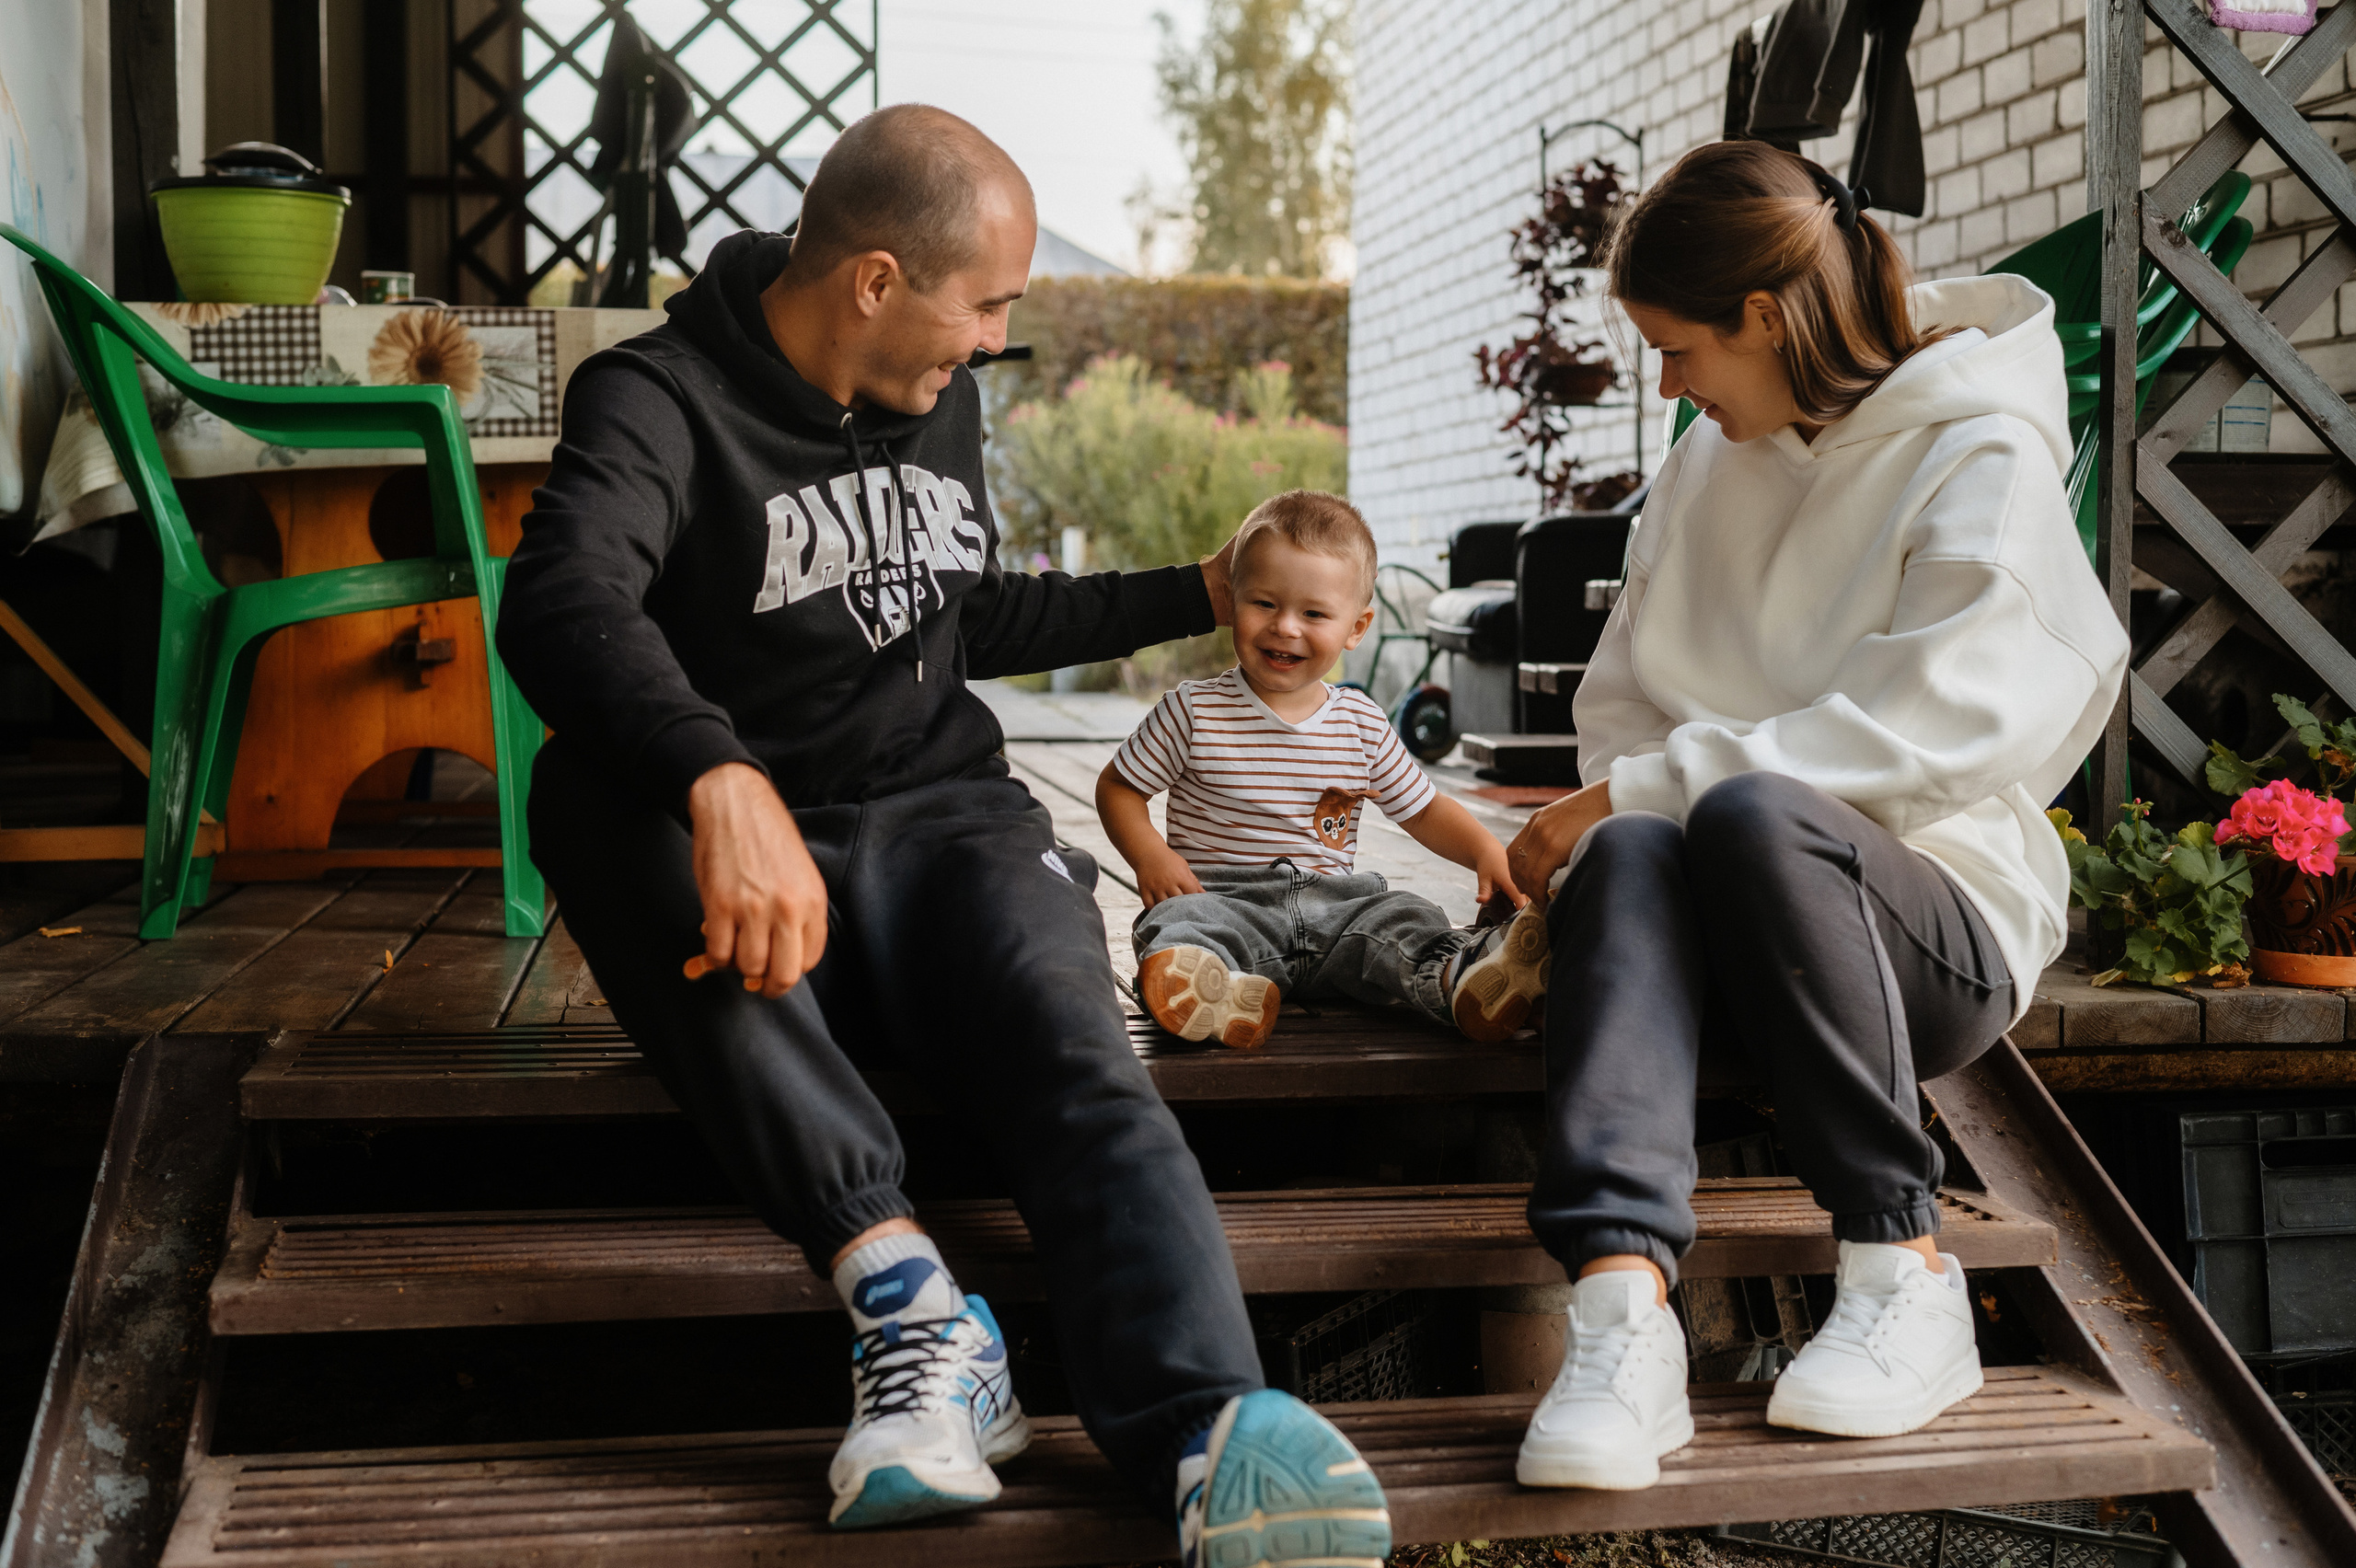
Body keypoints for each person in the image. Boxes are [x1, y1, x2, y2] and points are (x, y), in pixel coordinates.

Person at [495, 105, 1391, 1566]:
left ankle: (1213, 1428)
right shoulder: (652, 399)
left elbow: (962, 611)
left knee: (1068, 1041)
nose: (989, 341)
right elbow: (563, 600)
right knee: (590, 791)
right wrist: (722, 783)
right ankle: (909, 1304)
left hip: (952, 823)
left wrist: (1201, 586)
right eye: (983, 305)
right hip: (760, 879)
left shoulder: (936, 401)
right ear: (874, 281)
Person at [1498, 143, 2129, 1492]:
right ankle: (1621, 1320)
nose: (1668, 385)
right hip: (1713, 931)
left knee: (1750, 817)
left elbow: (1943, 729)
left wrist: (1663, 787)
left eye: (1679, 350)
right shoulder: (1709, 461)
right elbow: (1625, 717)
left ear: (1766, 320)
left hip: (1919, 929)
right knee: (1634, 838)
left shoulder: (1979, 447)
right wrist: (1622, 819)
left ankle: (1903, 1275)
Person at [1098, 489, 1550, 1047]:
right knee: (1177, 927)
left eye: (1313, 613)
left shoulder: (1359, 721)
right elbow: (1118, 787)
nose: (1286, 627)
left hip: (1336, 910)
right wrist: (1150, 856)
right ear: (1231, 601)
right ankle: (1213, 991)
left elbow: (1426, 809)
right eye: (1264, 604)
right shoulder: (1193, 710)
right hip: (1223, 901)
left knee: (1405, 917)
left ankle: (1465, 977)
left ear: (1356, 628)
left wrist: (1485, 850)